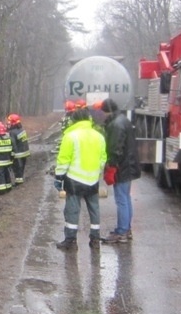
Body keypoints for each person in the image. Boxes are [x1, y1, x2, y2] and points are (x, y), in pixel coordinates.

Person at [54, 106, 107, 250]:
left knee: (72, 210)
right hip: (93, 179)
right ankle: (95, 239)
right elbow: (103, 158)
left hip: (74, 179)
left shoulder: (70, 136)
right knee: (94, 209)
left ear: (74, 120)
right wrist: (96, 172)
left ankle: (71, 241)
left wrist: (59, 177)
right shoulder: (99, 136)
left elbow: (64, 159)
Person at [100, 98, 140, 243]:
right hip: (128, 165)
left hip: (122, 167)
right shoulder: (122, 120)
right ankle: (126, 229)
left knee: (121, 199)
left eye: (103, 112)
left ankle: (122, 231)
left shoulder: (116, 125)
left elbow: (114, 148)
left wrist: (111, 166)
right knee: (126, 198)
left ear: (106, 111)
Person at [7, 113, 30, 185]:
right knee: (22, 167)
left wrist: (11, 154)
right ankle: (20, 179)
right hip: (25, 152)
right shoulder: (22, 130)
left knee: (17, 168)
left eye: (10, 122)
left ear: (13, 123)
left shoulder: (12, 132)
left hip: (18, 154)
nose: (8, 124)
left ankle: (18, 182)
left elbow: (13, 144)